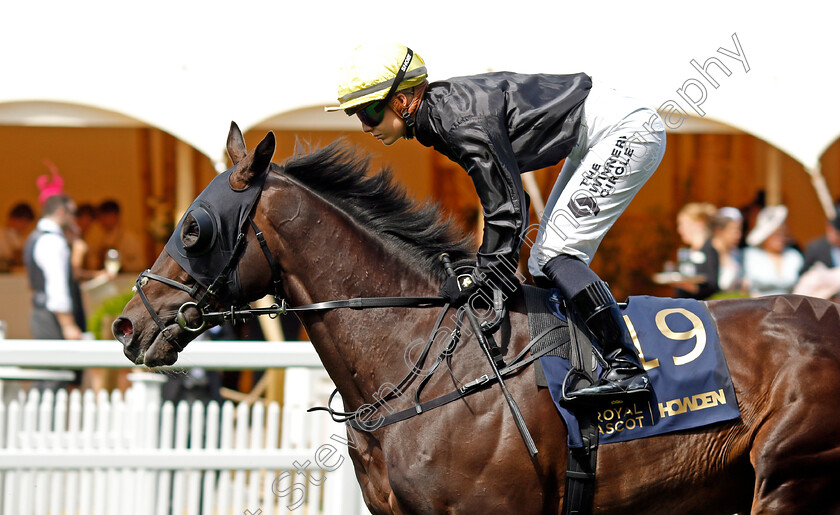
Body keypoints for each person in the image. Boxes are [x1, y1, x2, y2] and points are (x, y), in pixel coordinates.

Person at [327, 43, 667, 405]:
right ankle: (576, 360)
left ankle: (626, 367)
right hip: (593, 135)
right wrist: (488, 271)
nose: (365, 127)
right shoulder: (439, 115)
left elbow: (506, 204)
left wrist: (483, 274)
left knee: (556, 252)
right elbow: (508, 196)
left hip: (623, 131)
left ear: (404, 99)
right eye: (357, 116)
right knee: (541, 261)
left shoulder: (454, 119)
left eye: (369, 111)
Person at [23, 194, 83, 341]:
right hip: (54, 320)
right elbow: (57, 287)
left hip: (42, 313)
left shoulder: (37, 236)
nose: (76, 219)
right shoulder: (52, 241)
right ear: (61, 211)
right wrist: (68, 325)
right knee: (62, 364)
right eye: (74, 213)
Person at [742, 205, 803, 297]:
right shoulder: (750, 255)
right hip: (758, 306)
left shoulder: (793, 256)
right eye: (776, 235)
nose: (780, 238)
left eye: (782, 234)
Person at [672, 202, 719, 299]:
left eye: (683, 224)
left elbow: (712, 286)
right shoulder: (687, 252)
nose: (680, 230)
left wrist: (689, 286)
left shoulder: (709, 250)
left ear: (699, 223)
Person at [85, 199, 145, 273]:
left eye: (104, 216)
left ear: (114, 216)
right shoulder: (98, 237)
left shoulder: (129, 238)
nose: (101, 221)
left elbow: (139, 265)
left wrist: (120, 263)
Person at [711, 207, 746, 294]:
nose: (738, 235)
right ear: (719, 230)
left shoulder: (736, 254)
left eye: (739, 230)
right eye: (734, 231)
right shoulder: (709, 253)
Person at [0, 202, 35, 272]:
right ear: (13, 218)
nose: (25, 226)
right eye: (23, 221)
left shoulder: (23, 239)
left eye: (27, 223)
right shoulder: (1, 235)